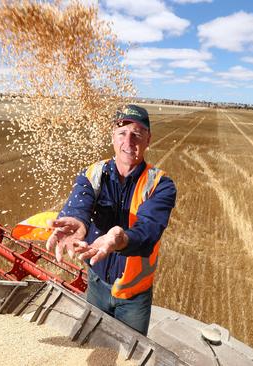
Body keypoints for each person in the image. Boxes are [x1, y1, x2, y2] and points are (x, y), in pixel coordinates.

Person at [46, 104, 177, 335]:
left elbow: (148, 230)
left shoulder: (161, 184)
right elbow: (80, 202)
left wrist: (121, 239)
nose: (129, 142)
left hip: (134, 296)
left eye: (137, 134)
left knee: (130, 352)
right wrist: (76, 220)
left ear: (148, 140)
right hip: (96, 285)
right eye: (122, 133)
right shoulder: (93, 174)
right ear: (112, 137)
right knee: (95, 340)